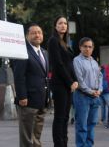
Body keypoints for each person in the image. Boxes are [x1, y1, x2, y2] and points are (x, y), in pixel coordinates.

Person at [14, 23, 49, 147]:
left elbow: (45, 77)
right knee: (27, 138)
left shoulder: (44, 52)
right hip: (27, 101)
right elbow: (19, 76)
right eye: (33, 33)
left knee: (37, 136)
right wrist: (22, 96)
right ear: (27, 36)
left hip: (42, 101)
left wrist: (48, 97)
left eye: (39, 32)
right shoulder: (22, 51)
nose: (37, 35)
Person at [47, 16, 78, 147]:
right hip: (60, 84)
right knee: (59, 118)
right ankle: (58, 144)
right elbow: (58, 64)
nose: (63, 25)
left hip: (68, 84)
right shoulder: (53, 41)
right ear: (55, 26)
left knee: (65, 117)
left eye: (65, 23)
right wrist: (70, 81)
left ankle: (64, 143)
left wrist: (75, 80)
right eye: (60, 23)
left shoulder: (65, 42)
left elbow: (70, 64)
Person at [73, 37, 102, 147]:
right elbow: (79, 80)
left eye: (90, 47)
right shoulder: (77, 60)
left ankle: (89, 145)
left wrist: (99, 90)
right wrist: (91, 91)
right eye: (85, 46)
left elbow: (100, 76)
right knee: (82, 125)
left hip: (95, 96)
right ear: (80, 47)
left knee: (91, 124)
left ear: (93, 48)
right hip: (82, 96)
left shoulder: (94, 62)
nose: (87, 49)